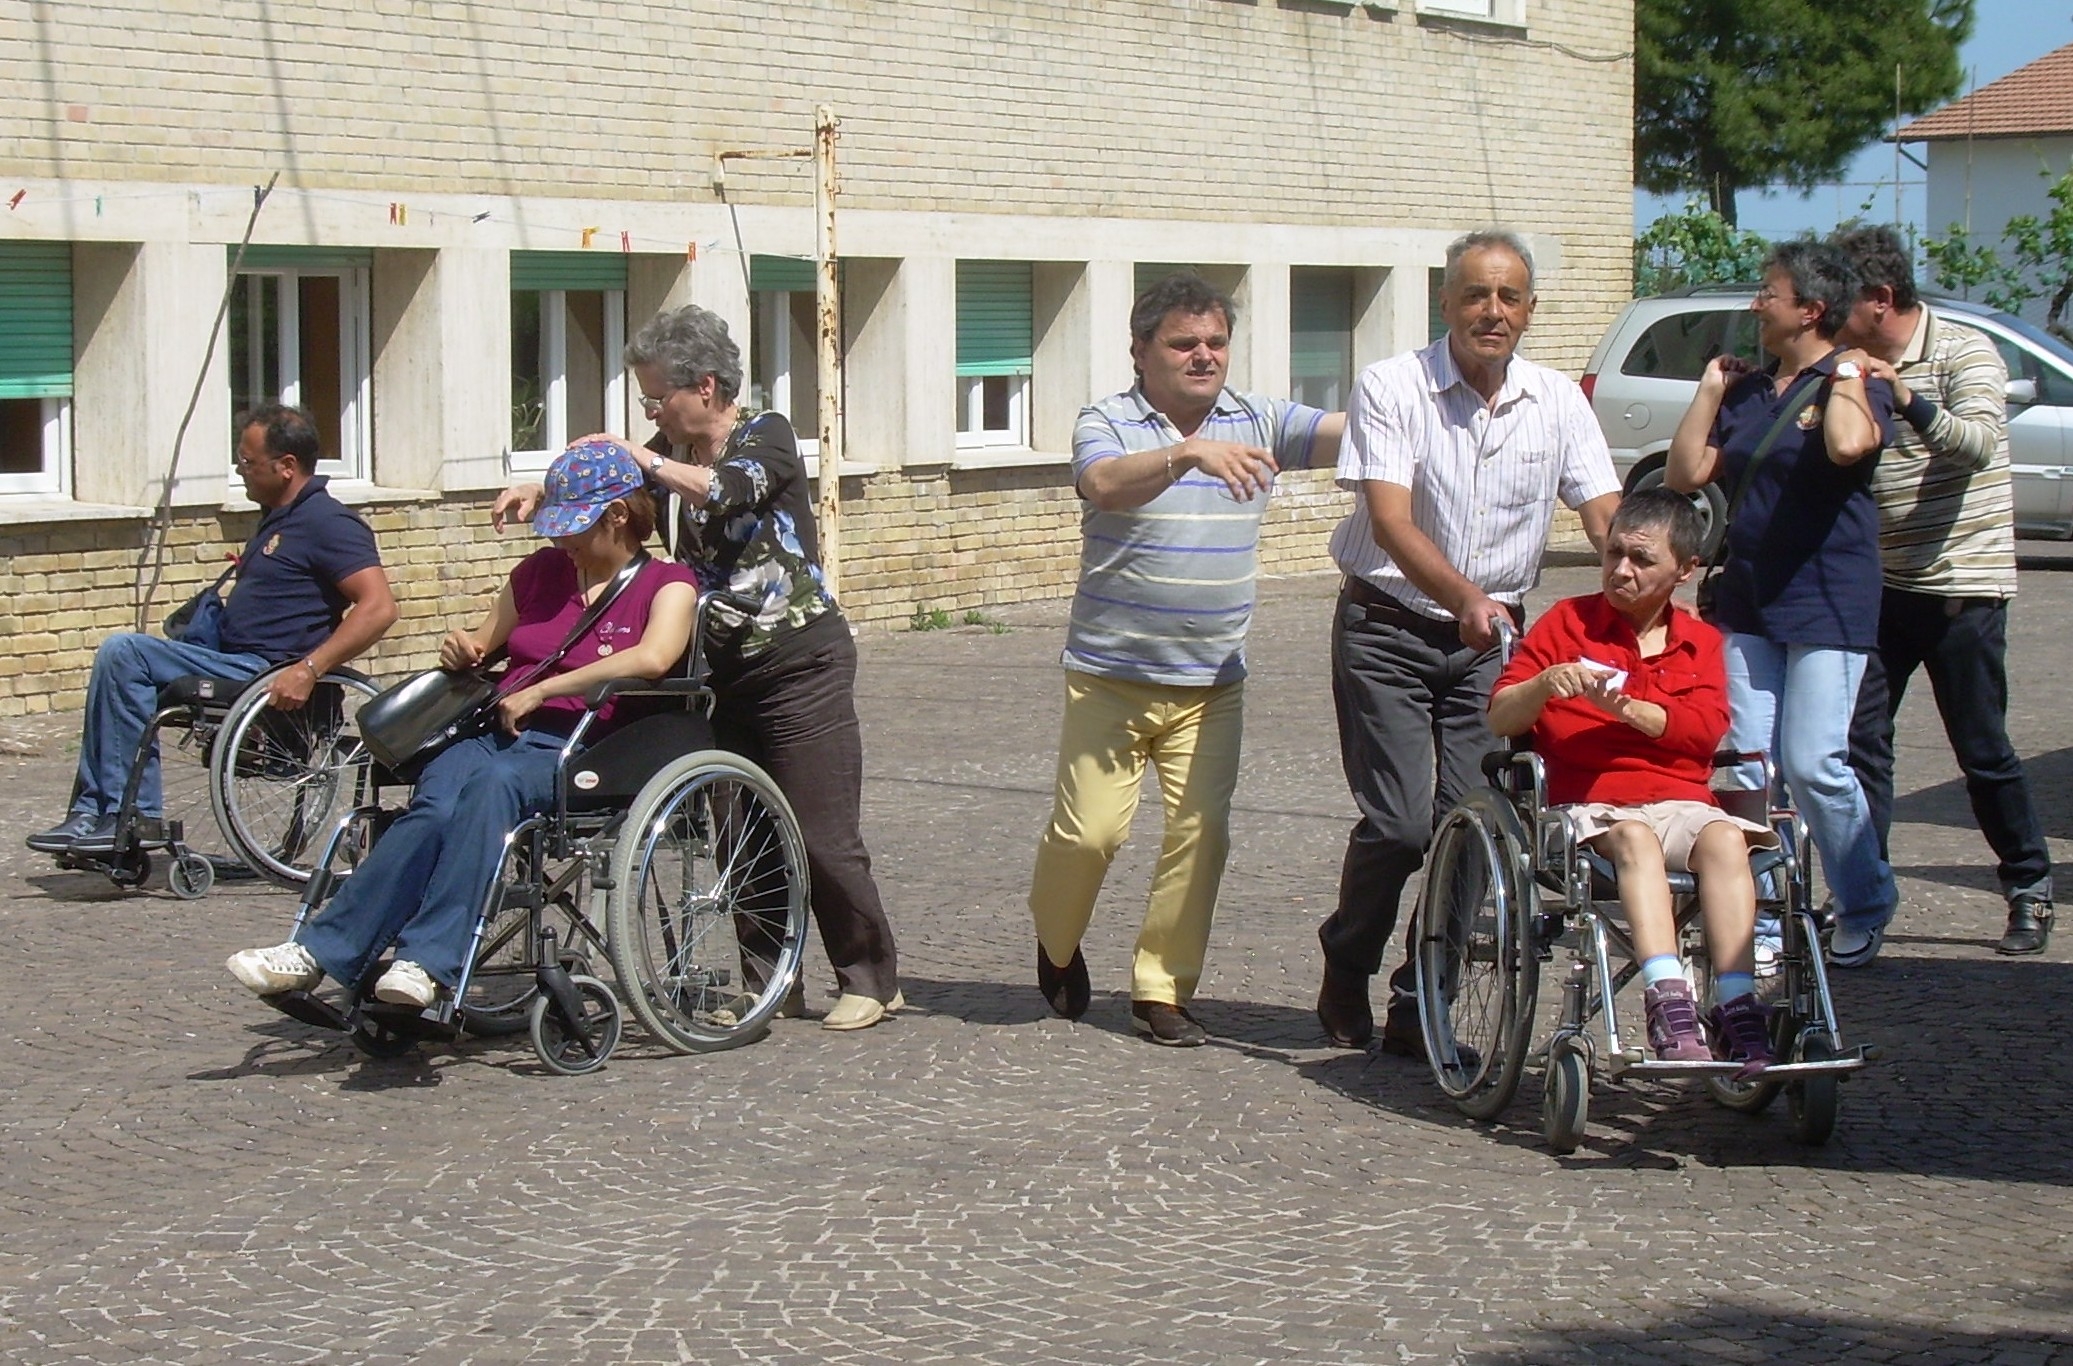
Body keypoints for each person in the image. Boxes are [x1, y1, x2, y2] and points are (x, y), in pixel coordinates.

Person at [493, 306, 902, 1031]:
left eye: (658, 396)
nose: (651, 411)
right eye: (646, 401)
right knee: (737, 827)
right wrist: (543, 493)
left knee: (819, 830)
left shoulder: (764, 436)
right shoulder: (666, 450)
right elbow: (609, 492)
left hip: (798, 663)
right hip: (716, 671)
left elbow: (726, 489)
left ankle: (869, 976)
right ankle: (768, 980)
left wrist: (644, 458)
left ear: (705, 388)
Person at [226, 439, 697, 1008]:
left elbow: (653, 658)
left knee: (492, 789)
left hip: (588, 746)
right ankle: (319, 952)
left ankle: (427, 960)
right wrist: (462, 650)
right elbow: (483, 641)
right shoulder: (540, 573)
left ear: (618, 516)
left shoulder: (667, 584)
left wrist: (545, 689)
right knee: (438, 799)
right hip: (499, 729)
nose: (558, 540)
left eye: (571, 527)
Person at [1315, 229, 1621, 1054]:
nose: (1493, 312)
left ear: (1528, 310)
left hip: (1490, 647)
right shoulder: (1393, 386)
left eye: (1509, 297)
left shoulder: (1558, 401)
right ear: (1445, 303)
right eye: (1476, 296)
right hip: (1388, 629)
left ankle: (1424, 995)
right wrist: (1464, 598)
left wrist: (1645, 579)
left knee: (1475, 822)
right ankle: (1346, 961)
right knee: (1402, 826)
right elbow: (1389, 518)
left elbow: (1603, 516)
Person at [1028, 271, 1343, 1047]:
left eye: (1215, 342)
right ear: (1140, 351)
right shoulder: (1108, 420)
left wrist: (1427, 388)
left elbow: (1350, 429)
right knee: (1090, 835)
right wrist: (1186, 454)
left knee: (1202, 835)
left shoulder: (1258, 417)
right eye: (1182, 343)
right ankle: (1056, 939)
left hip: (1211, 683)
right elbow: (1101, 484)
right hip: (1109, 675)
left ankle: (1160, 990)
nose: (1203, 356)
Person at [1487, 488, 1775, 1073]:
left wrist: (1636, 712)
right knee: (1635, 840)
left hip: (1680, 799)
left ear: (1684, 570)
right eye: (1614, 552)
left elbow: (1705, 732)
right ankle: (1669, 998)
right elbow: (1499, 716)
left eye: (1642, 560)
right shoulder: (1569, 623)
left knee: (1726, 839)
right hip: (1591, 803)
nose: (1621, 569)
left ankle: (1736, 1001)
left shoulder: (1701, 643)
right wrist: (1543, 685)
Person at [1666, 239, 1897, 968]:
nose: (1755, 304)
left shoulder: (1853, 383)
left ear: (1811, 310)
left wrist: (1848, 374)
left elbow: (1844, 447)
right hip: (1748, 599)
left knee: (1812, 761)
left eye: (1769, 293)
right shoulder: (1747, 393)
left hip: (1828, 600)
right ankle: (1758, 918)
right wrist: (1708, 389)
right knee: (1742, 765)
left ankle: (1862, 900)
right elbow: (1683, 474)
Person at [27, 405, 396, 857]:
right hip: (235, 658)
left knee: (125, 652)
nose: (240, 471)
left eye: (248, 462)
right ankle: (94, 813)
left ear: (286, 467)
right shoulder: (279, 518)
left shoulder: (328, 523)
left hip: (264, 671)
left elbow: (378, 607)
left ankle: (130, 816)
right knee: (118, 668)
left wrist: (309, 668)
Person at [1830, 224, 2055, 956]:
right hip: (1881, 585)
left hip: (1961, 584)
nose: (1832, 312)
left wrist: (1905, 397)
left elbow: (1979, 443)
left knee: (1980, 749)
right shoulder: (1845, 361)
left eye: (1844, 299)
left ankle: (2026, 886)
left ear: (1882, 299)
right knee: (1861, 744)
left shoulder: (1962, 351)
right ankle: (1864, 894)